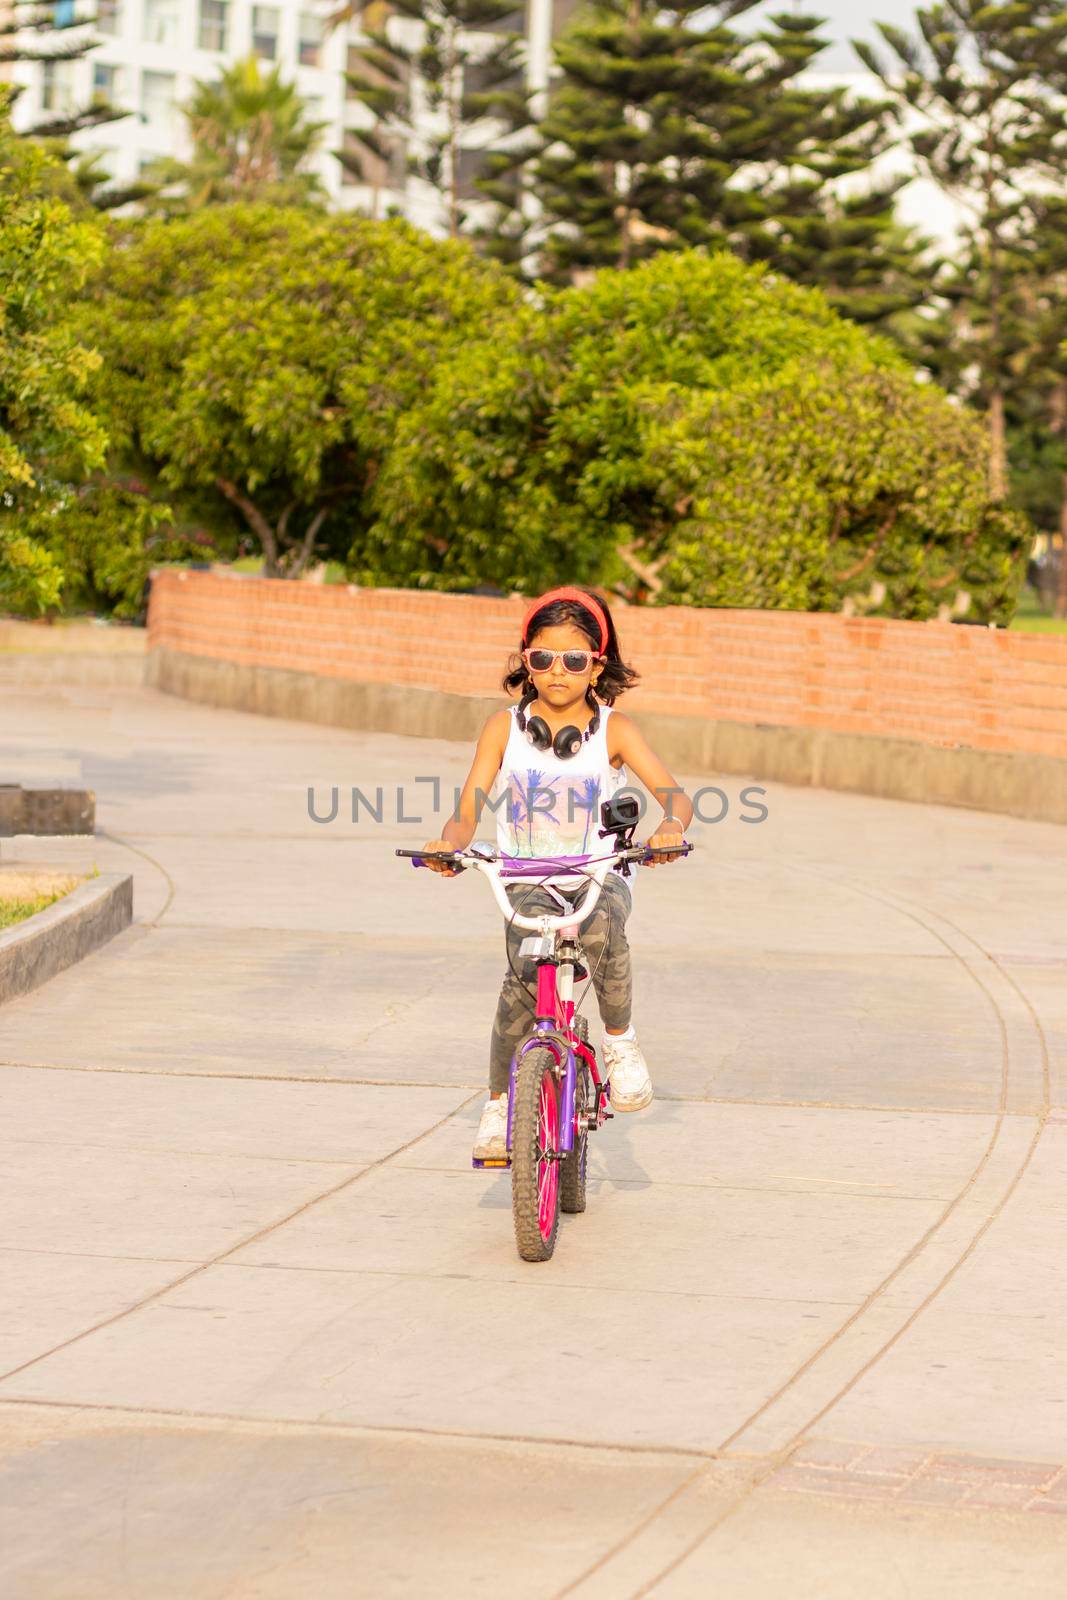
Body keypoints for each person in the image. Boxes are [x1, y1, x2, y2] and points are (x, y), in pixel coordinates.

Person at [421, 586, 693, 1162]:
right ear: (526, 662)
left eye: (574, 659)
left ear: (597, 665)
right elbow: (468, 808)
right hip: (526, 876)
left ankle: (619, 1041)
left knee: (603, 935)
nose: (557, 671)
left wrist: (668, 828)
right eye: (542, 658)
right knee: (520, 983)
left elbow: (676, 799)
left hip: (599, 872)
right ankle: (499, 1104)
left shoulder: (617, 732)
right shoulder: (503, 729)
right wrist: (449, 845)